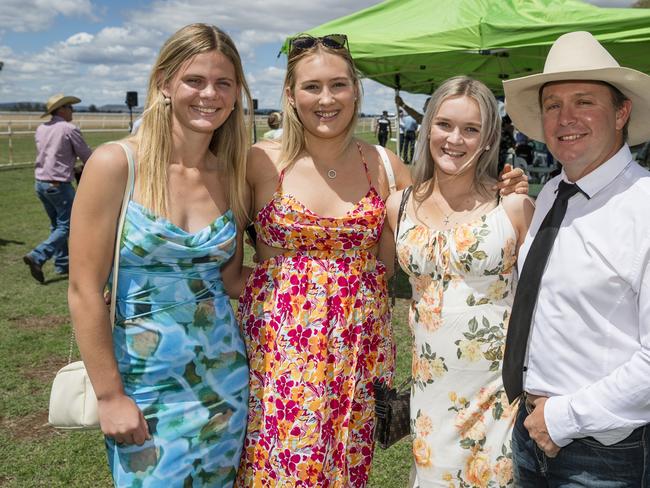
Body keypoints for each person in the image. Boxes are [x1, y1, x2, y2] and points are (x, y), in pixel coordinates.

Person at [235, 34, 527, 487]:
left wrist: (504, 194)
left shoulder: (387, 167)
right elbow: (220, 255)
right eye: (312, 86)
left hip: (360, 352)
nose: (326, 98)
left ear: (356, 91)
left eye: (339, 85)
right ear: (290, 95)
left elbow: (422, 240)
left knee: (349, 472)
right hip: (282, 353)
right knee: (280, 470)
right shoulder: (257, 162)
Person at [68, 24, 252, 486]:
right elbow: (84, 290)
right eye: (195, 80)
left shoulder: (231, 173)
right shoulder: (115, 164)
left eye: (223, 83)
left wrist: (322, 281)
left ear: (236, 94)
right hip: (144, 386)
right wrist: (110, 396)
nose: (209, 94)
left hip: (225, 384)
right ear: (165, 83)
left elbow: (232, 280)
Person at [501, 31, 650, 486]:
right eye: (552, 105)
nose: (566, 118)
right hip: (530, 434)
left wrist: (562, 418)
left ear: (622, 111)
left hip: (604, 454)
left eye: (584, 101)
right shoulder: (551, 192)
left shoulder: (643, 206)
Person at [386, 76, 533, 487]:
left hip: (496, 398)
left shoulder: (515, 207)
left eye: (471, 130)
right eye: (445, 125)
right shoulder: (398, 206)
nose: (455, 139)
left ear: (488, 140)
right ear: (428, 126)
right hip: (429, 394)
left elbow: (546, 303)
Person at [23, 93, 92, 283]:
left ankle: (62, 264)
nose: (72, 111)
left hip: (41, 182)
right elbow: (86, 155)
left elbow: (53, 156)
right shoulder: (69, 129)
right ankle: (38, 256)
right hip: (58, 183)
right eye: (70, 107)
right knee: (68, 225)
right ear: (62, 109)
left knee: (57, 225)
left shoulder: (41, 128)